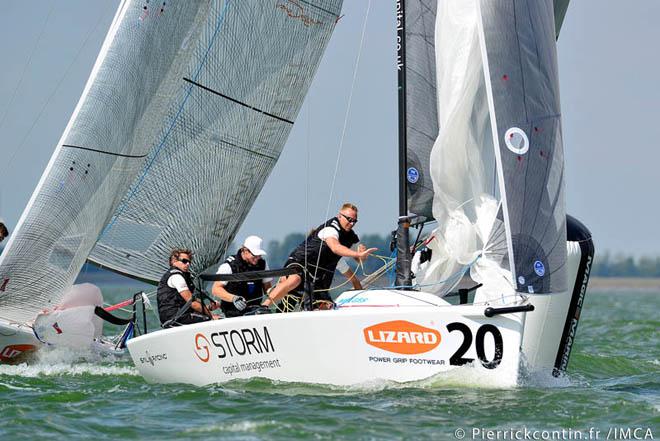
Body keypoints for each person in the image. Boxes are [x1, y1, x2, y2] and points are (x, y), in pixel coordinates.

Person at [262, 203, 376, 309]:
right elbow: (335, 247)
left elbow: (355, 260)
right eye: (349, 219)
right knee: (295, 280)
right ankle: (264, 306)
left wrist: (361, 256)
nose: (352, 223)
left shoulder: (348, 238)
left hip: (317, 277)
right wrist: (357, 253)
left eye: (355, 221)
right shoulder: (330, 229)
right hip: (301, 262)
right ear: (340, 216)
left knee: (326, 307)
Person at [212, 236, 273, 317]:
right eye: (255, 255)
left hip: (255, 312)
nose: (257, 258)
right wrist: (234, 298)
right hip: (232, 314)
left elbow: (267, 288)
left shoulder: (262, 264)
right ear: (245, 250)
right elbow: (215, 289)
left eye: (259, 255)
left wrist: (275, 291)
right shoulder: (229, 266)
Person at [157, 248, 219, 327]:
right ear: (174, 261)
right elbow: (192, 303)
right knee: (211, 319)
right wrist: (211, 316)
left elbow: (190, 303)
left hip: (173, 318)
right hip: (175, 319)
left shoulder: (180, 276)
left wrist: (209, 307)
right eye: (184, 261)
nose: (188, 264)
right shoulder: (176, 277)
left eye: (189, 262)